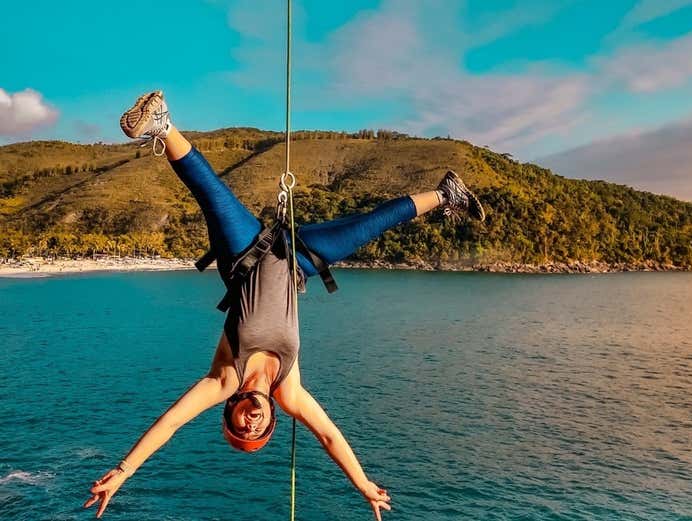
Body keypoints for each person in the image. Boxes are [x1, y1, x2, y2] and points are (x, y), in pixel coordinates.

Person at [83, 91, 485, 519]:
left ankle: (161, 123)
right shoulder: (288, 391)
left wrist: (123, 471)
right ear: (270, 418)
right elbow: (330, 437)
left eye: (241, 427)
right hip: (298, 260)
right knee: (374, 222)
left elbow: (171, 424)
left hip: (246, 255)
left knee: (212, 195)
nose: (251, 424)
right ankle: (447, 194)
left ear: (232, 410)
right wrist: (364, 485)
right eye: (257, 430)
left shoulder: (223, 380)